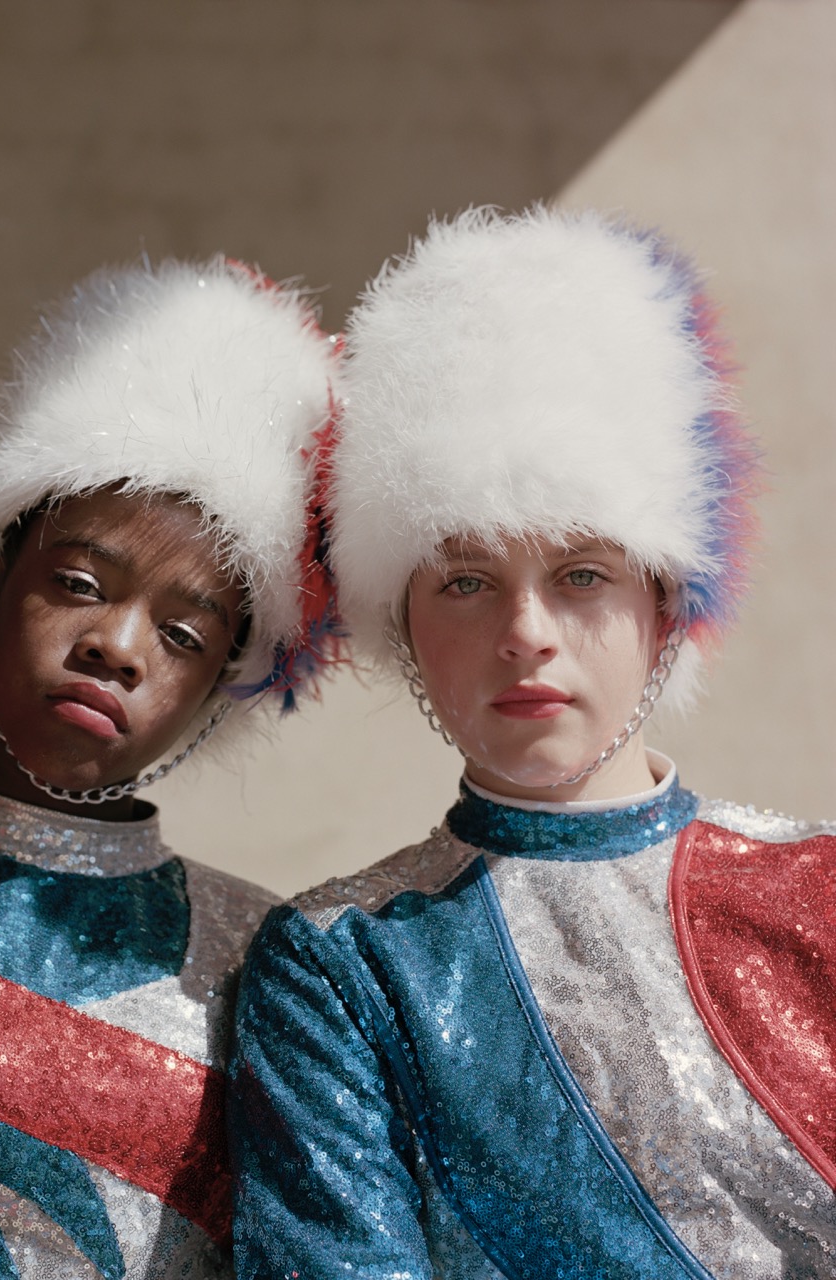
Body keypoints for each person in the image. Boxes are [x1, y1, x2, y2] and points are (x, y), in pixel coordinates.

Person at [228, 208, 836, 1278]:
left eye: (582, 573)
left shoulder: (819, 888)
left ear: (666, 600)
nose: (524, 632)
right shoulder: (342, 963)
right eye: (464, 580)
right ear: (401, 624)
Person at [0, 256, 341, 1278]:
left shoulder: (265, 959)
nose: (119, 644)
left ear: (211, 691)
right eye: (78, 582)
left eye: (183, 635)